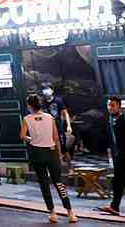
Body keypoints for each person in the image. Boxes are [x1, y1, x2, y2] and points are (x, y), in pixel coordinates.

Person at [21, 95, 77, 224]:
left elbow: (22, 135)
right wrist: (58, 155)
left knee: (44, 183)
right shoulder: (50, 118)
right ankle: (70, 213)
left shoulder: (27, 119)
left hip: (37, 153)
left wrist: (32, 139)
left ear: (29, 106)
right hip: (51, 151)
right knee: (59, 183)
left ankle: (52, 213)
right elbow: (56, 138)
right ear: (40, 104)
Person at [41, 85, 73, 163]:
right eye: (44, 90)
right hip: (47, 128)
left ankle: (68, 164)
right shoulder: (42, 102)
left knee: (63, 146)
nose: (46, 91)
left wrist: (69, 125)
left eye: (48, 89)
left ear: (52, 91)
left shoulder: (58, 101)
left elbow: (65, 113)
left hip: (58, 126)